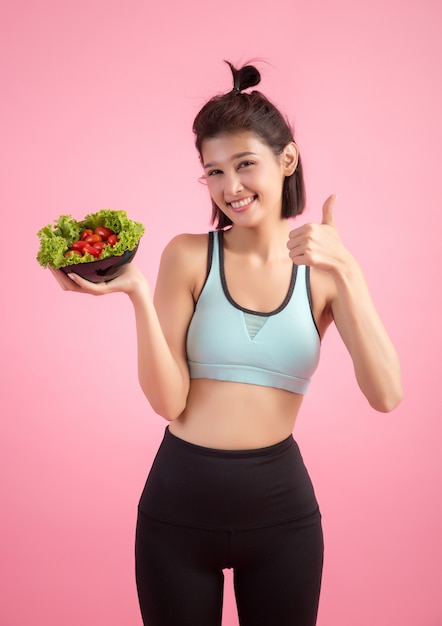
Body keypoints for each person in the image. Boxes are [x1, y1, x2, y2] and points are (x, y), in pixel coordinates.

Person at [51, 60, 402, 626]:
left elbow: (386, 394)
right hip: (177, 511)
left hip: (282, 517)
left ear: (286, 160)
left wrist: (350, 270)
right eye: (214, 172)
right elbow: (169, 403)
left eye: (244, 165)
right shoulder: (188, 255)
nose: (230, 188)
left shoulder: (326, 273)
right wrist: (138, 293)